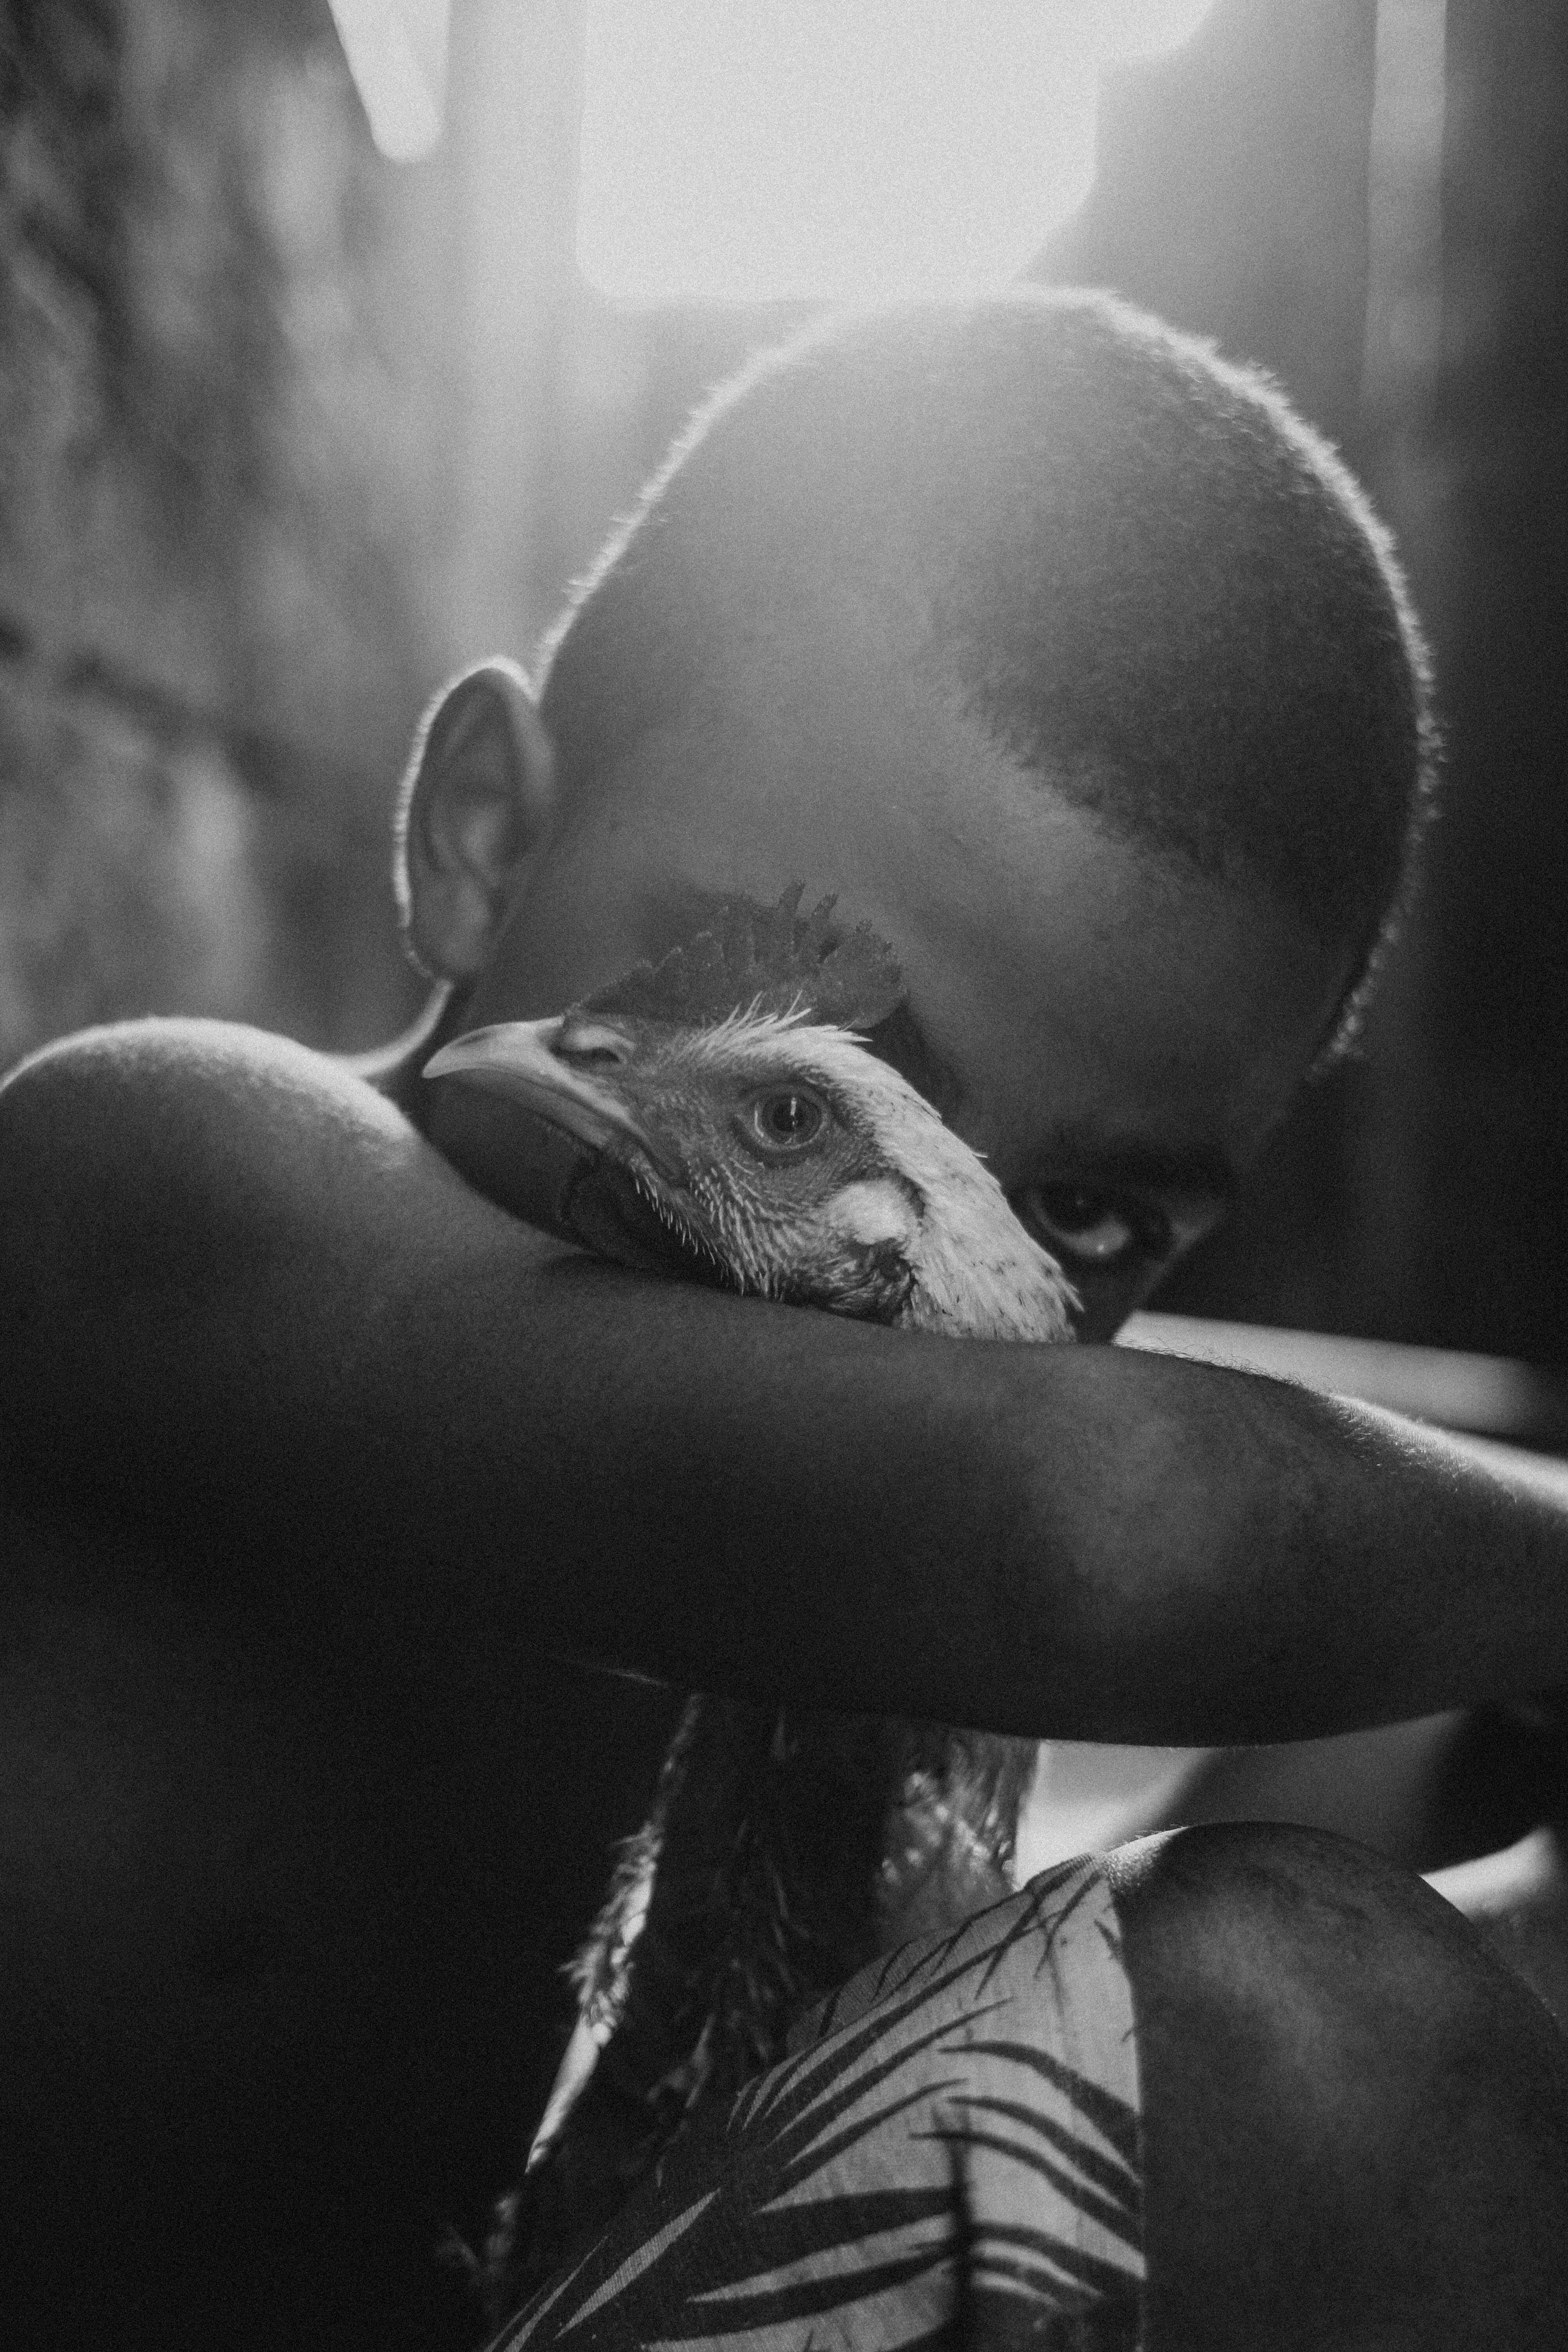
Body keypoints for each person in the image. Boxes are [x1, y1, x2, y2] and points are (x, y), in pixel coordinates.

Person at [1, 290, 1565, 2350]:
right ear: (486, 837)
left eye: (1087, 1209)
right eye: (810, 1072)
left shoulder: (904, 1574)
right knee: (1300, 2028)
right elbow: (1093, 1536)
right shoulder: (168, 1180)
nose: (918, 1271)